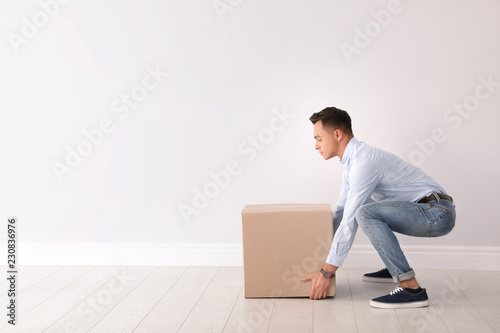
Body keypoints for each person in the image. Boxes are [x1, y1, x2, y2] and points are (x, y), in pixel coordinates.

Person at [300, 107, 456, 308]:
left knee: (363, 212)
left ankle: (411, 288)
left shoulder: (363, 162)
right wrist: (315, 244)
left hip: (437, 213)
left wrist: (327, 271)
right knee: (357, 207)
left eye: (318, 138)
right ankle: (394, 268)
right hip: (425, 210)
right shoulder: (351, 164)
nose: (315, 146)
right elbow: (341, 211)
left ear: (337, 134)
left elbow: (349, 221)